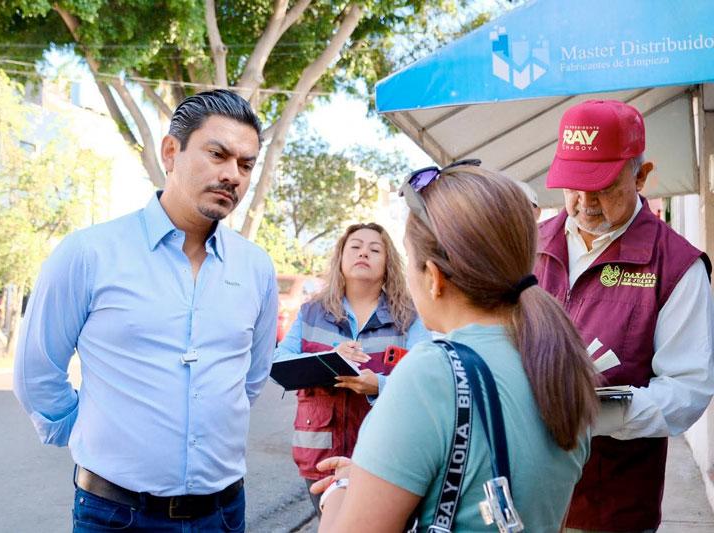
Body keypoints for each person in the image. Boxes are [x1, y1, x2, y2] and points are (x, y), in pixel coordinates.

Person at [13, 90, 278, 532]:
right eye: (217, 154)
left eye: (246, 165)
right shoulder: (90, 253)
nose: (232, 175)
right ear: (171, 152)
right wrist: (91, 430)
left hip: (223, 514)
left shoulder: (256, 268)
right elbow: (36, 372)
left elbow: (249, 379)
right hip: (115, 514)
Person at [310, 163, 599, 532]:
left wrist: (340, 491)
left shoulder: (432, 373)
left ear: (434, 277)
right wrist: (376, 477)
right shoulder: (561, 359)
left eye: (409, 260)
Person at [536, 99, 714, 532]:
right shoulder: (528, 245)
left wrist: (595, 414)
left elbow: (688, 389)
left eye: (602, 186)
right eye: (573, 185)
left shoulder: (676, 265)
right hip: (525, 500)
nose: (584, 202)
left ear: (641, 175)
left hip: (608, 511)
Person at [274, 222, 431, 513]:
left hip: (385, 457)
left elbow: (425, 379)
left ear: (388, 263)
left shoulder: (410, 316)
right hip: (320, 458)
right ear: (341, 258)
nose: (364, 253)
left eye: (375, 249)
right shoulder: (311, 311)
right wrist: (329, 358)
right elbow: (279, 363)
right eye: (355, 247)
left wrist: (379, 386)